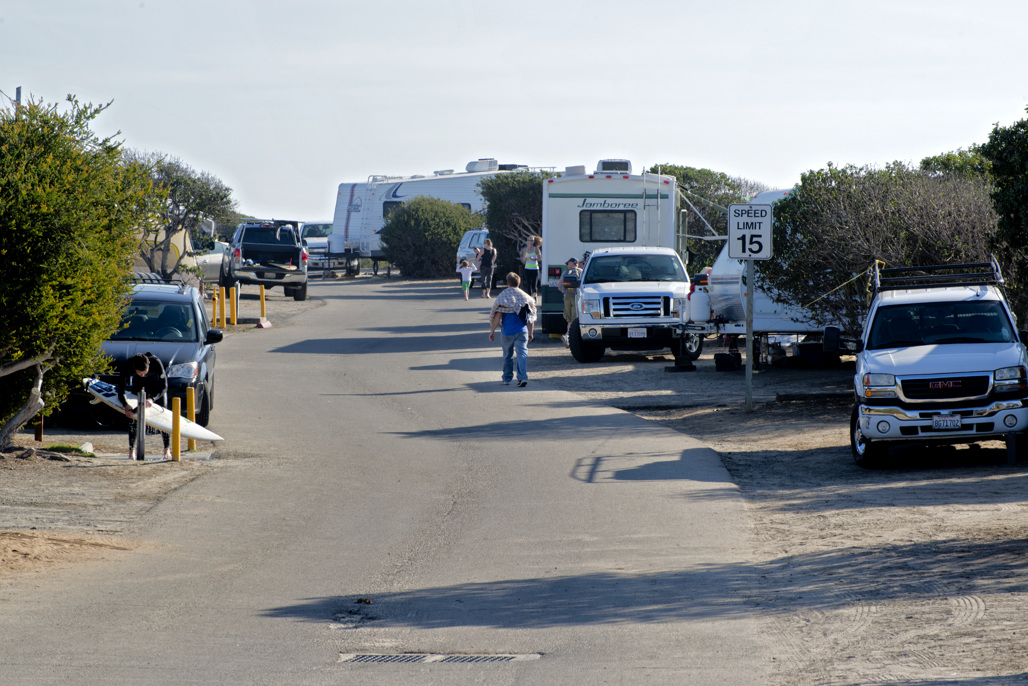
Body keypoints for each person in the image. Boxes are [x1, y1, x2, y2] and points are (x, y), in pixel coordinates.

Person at [118, 352, 171, 461]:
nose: (142, 375)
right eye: (139, 373)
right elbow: (121, 389)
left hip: (156, 390)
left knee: (164, 419)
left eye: (144, 372)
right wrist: (126, 405)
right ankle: (131, 451)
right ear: (134, 368)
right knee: (133, 419)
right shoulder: (128, 365)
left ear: (149, 365)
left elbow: (164, 387)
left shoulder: (156, 363)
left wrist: (152, 399)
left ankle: (166, 448)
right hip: (139, 388)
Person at [488, 272, 536, 387]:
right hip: (522, 331)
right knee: (522, 354)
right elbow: (531, 317)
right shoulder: (526, 297)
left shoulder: (503, 296)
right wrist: (530, 332)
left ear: (508, 283)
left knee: (507, 355)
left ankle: (507, 378)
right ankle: (522, 377)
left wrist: (492, 330)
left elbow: (497, 315)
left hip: (507, 331)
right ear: (519, 283)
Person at [558, 257, 582, 348]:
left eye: (568, 263)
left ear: (571, 263)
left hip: (567, 298)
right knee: (576, 318)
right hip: (577, 297)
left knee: (569, 319)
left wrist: (565, 293)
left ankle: (567, 336)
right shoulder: (581, 272)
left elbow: (559, 287)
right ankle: (571, 337)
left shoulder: (565, 273)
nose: (567, 265)